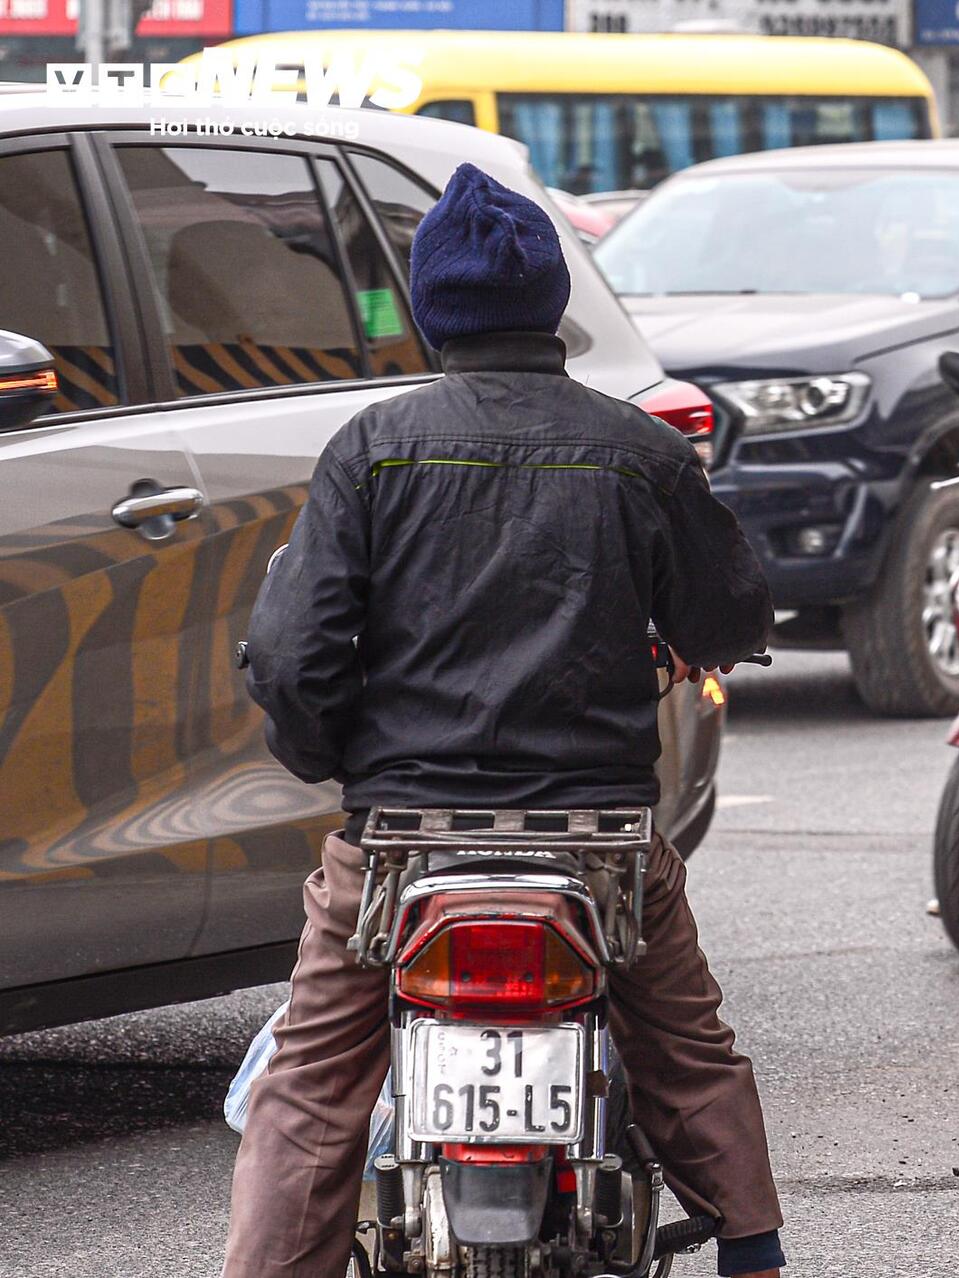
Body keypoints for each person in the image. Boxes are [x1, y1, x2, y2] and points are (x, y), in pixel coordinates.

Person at [225, 164, 786, 1278]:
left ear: (434, 310)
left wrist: (340, 764)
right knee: (685, 1046)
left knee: (313, 1080)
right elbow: (728, 611)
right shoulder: (641, 450)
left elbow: (293, 653)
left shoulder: (373, 446)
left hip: (400, 844)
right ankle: (756, 1255)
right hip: (602, 844)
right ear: (552, 309)